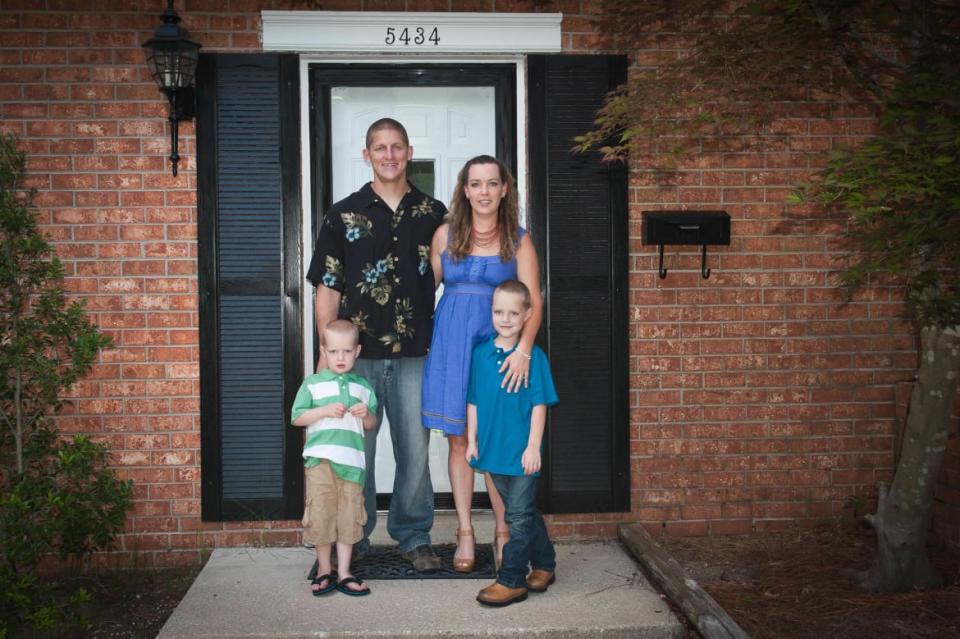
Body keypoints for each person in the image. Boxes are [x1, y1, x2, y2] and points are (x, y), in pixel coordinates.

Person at [306, 118, 445, 572]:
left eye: (397, 147)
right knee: (353, 454)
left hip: (414, 356)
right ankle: (354, 535)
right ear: (367, 154)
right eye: (380, 147)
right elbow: (326, 288)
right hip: (356, 361)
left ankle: (413, 535)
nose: (389, 155)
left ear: (408, 151)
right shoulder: (342, 214)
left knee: (415, 452)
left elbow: (449, 279)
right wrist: (328, 357)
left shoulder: (434, 213)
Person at [421, 155, 544, 573]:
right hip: (453, 347)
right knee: (459, 440)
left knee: (495, 443)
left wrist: (523, 351)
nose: (484, 192)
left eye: (492, 183)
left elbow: (534, 300)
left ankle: (504, 532)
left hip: (498, 352)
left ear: (504, 189)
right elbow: (423, 292)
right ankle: (465, 532)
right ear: (465, 189)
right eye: (476, 184)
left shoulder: (519, 240)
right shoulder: (444, 235)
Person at [466, 280, 558, 607]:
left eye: (513, 313)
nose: (504, 319)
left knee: (515, 517)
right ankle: (545, 564)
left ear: (527, 314)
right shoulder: (480, 354)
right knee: (524, 513)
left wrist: (534, 447)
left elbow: (540, 404)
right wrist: (472, 440)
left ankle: (512, 579)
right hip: (492, 450)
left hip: (521, 453)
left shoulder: (535, 357)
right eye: (498, 311)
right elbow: (474, 400)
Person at [292, 320, 377, 596]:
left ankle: (344, 571)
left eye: (347, 351)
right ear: (324, 351)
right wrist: (324, 410)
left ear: (357, 351)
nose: (340, 358)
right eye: (334, 352)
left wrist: (367, 415)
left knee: (349, 518)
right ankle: (324, 569)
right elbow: (297, 417)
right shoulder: (313, 384)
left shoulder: (363, 386)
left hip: (352, 465)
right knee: (321, 515)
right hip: (321, 463)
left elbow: (370, 424)